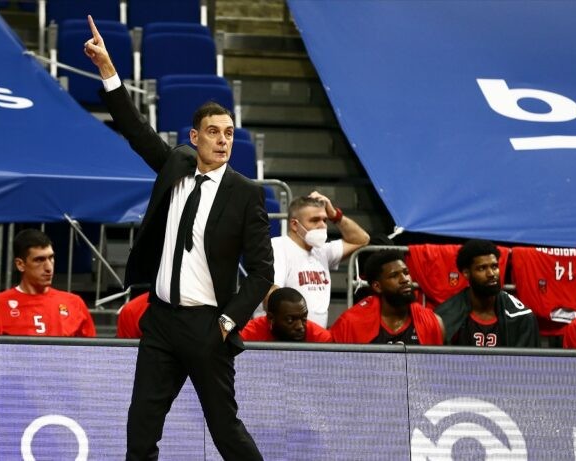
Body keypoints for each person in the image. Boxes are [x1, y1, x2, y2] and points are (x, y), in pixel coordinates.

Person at [84, 16, 273, 461]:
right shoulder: (176, 167)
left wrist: (228, 322)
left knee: (225, 430)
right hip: (161, 322)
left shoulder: (246, 193)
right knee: (140, 431)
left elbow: (262, 271)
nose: (223, 141)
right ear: (194, 137)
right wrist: (108, 69)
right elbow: (135, 129)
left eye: (229, 133)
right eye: (213, 132)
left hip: (208, 326)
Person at [265, 193, 369, 328]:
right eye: (315, 220)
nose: (322, 226)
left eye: (325, 220)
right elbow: (271, 294)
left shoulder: (321, 250)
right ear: (295, 225)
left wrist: (335, 216)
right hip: (283, 333)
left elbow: (361, 239)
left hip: (314, 334)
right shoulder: (277, 247)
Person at [0, 229, 96, 337]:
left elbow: (92, 347)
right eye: (39, 260)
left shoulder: (74, 303)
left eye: (51, 258)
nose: (49, 268)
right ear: (20, 264)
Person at [436, 239, 539, 347]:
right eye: (482, 268)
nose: (491, 274)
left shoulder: (522, 317)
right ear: (466, 273)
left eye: (494, 267)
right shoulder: (445, 317)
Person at [329, 249, 444, 344]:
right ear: (377, 286)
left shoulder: (433, 323)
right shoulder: (351, 323)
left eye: (406, 272)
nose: (405, 279)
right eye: (394, 275)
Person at [240, 287, 332, 342]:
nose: (300, 326)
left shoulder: (321, 338)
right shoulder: (247, 334)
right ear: (271, 318)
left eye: (304, 318)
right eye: (290, 320)